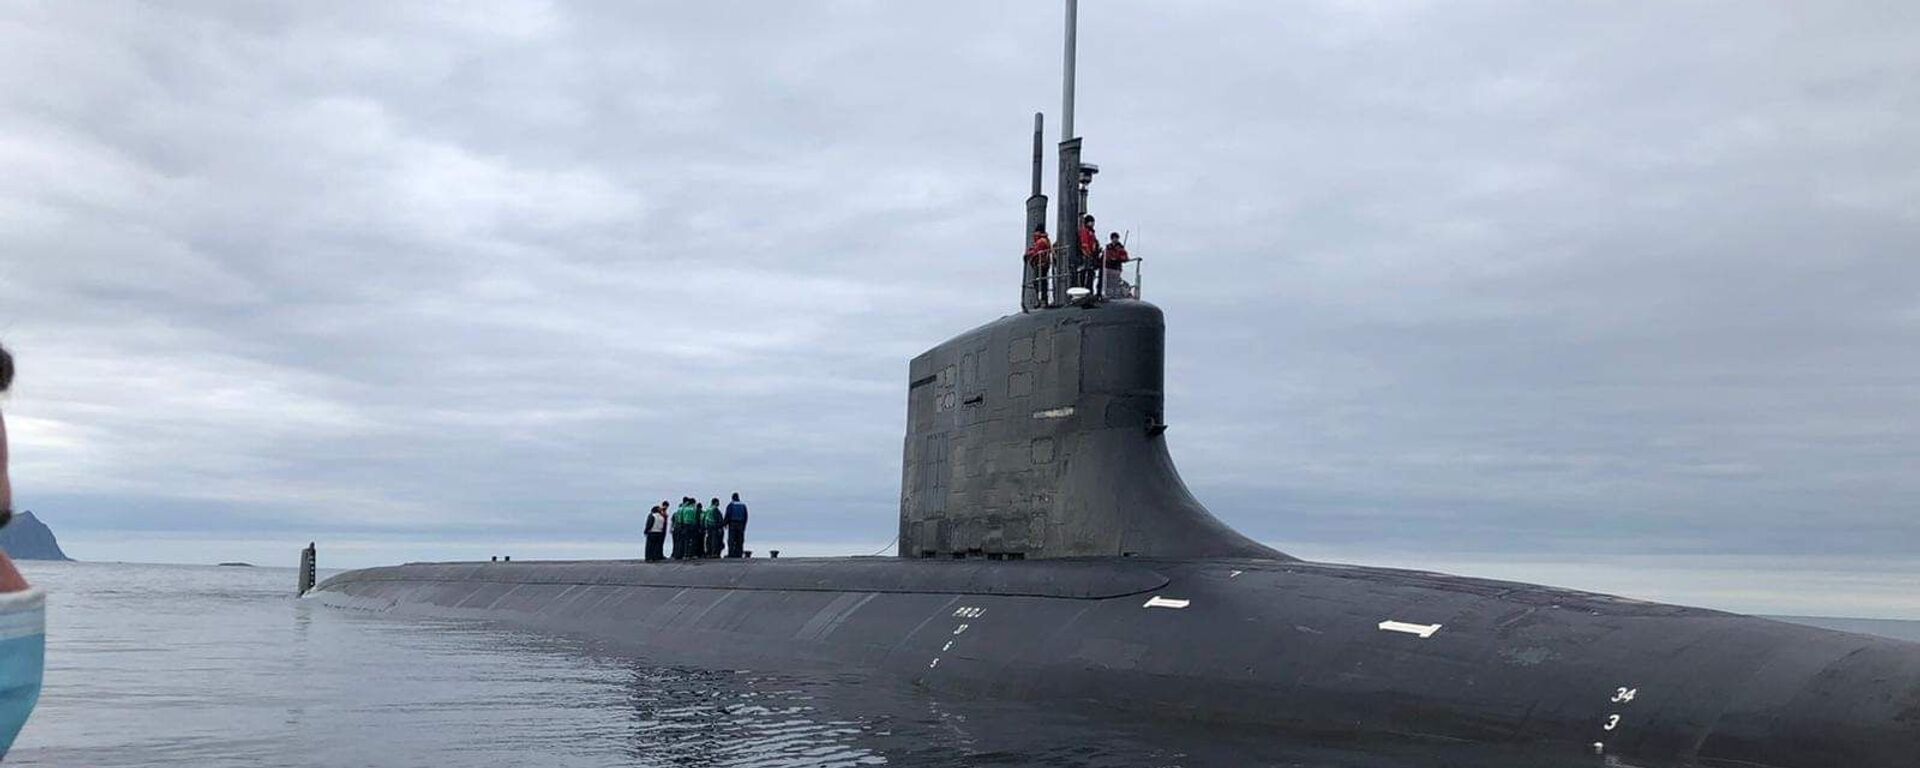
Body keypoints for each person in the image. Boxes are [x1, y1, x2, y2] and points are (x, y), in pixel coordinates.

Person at [1024, 226, 1053, 305]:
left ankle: (1041, 300)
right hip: (1043, 264)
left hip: (1041, 264)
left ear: (1039, 232)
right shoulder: (1045, 240)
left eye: (1036, 232)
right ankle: (1042, 299)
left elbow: (1036, 251)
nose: (1034, 234)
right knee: (1042, 281)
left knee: (1038, 282)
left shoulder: (1041, 241)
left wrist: (1028, 254)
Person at [1076, 214, 1102, 290]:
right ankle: (1085, 289)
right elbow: (1085, 244)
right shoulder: (1085, 232)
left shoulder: (1091, 233)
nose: (1093, 224)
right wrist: (1089, 255)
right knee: (1085, 274)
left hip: (1091, 256)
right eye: (1092, 222)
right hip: (1086, 256)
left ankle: (1089, 289)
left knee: (1090, 274)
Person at [1103, 232, 1131, 298]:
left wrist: (1118, 258)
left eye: (1116, 238)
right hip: (1109, 268)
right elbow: (1105, 256)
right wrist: (1111, 258)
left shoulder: (1120, 248)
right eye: (1113, 238)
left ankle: (1115, 295)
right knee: (1109, 283)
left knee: (1115, 282)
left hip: (1116, 268)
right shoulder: (1108, 247)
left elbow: (1125, 258)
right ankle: (1108, 294)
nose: (1115, 239)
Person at [724, 492, 749, 558]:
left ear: (732, 498)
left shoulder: (731, 505)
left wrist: (725, 524)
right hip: (741, 524)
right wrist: (744, 526)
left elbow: (728, 515)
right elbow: (746, 516)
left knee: (731, 539)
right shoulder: (743, 505)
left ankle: (731, 554)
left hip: (732, 524)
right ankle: (739, 553)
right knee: (740, 539)